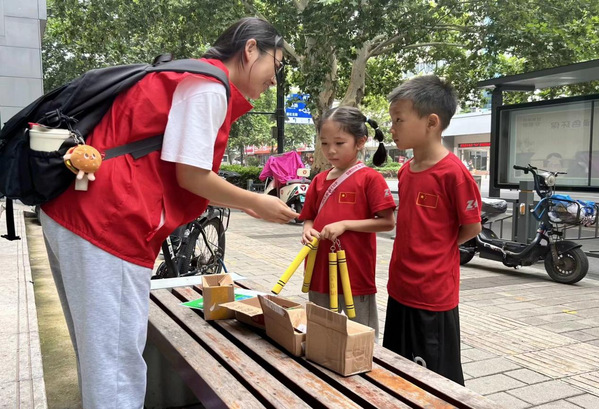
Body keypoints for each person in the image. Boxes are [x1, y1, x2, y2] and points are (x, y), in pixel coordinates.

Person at [39, 17, 298, 409]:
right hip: (108, 225)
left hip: (77, 211)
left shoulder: (189, 77)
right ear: (250, 50)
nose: (274, 80)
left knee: (100, 357)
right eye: (275, 65)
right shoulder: (209, 87)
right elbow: (191, 175)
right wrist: (255, 202)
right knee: (116, 367)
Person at [383, 75, 482, 385]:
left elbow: (471, 226)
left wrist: (438, 250)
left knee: (435, 380)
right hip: (400, 287)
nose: (392, 128)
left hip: (432, 294)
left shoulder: (454, 173)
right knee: (397, 371)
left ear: (431, 122)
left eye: (399, 119)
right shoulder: (405, 171)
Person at [299, 106, 396, 339]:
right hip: (318, 269)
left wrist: (345, 224)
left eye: (339, 143)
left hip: (354, 270)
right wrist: (308, 230)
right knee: (321, 334)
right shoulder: (319, 180)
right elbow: (309, 217)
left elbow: (387, 222)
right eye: (324, 143)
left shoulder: (370, 179)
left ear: (360, 142)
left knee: (362, 336)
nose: (330, 150)